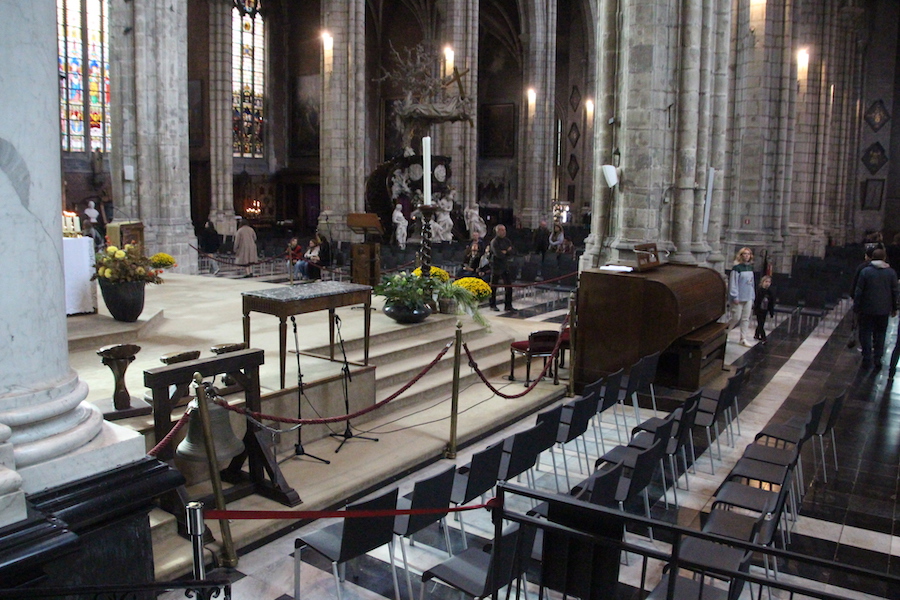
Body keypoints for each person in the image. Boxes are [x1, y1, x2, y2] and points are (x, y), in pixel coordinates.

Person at [854, 248, 899, 370]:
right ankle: (878, 358)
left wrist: (856, 306)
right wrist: (895, 307)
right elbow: (895, 291)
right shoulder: (891, 273)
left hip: (867, 308)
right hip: (883, 309)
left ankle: (867, 357)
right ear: (884, 258)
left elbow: (859, 291)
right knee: (880, 334)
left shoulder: (866, 272)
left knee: (865, 333)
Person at [728, 247, 756, 347]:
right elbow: (733, 283)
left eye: (748, 254)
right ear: (741, 255)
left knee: (745, 318)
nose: (746, 256)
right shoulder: (737, 268)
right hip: (738, 297)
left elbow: (751, 283)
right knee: (736, 317)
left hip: (748, 296)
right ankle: (725, 333)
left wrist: (752, 296)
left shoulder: (750, 268)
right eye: (744, 254)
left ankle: (743, 338)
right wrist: (734, 296)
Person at [489, 224, 516, 312]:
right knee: (493, 286)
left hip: (505, 265)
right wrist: (505, 251)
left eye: (504, 230)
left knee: (509, 286)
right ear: (497, 231)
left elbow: (512, 252)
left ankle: (508, 305)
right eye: (501, 230)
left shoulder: (507, 241)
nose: (503, 232)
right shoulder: (494, 242)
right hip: (496, 266)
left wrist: (505, 252)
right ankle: (492, 304)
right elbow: (498, 254)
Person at [753, 275, 776, 344]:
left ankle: (756, 335)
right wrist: (755, 310)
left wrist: (771, 312)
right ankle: (763, 337)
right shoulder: (759, 291)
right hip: (759, 309)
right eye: (766, 281)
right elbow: (756, 301)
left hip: (765, 310)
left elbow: (771, 303)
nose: (767, 283)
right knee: (761, 323)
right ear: (762, 282)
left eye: (769, 282)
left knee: (761, 323)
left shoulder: (770, 292)